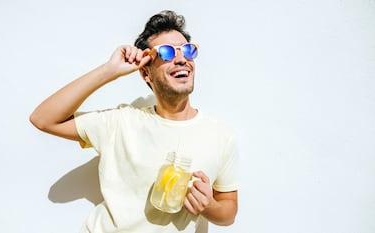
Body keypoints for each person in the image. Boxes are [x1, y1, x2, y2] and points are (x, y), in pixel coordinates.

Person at [30, 10, 239, 233]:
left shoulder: (220, 135)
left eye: (187, 50)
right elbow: (43, 119)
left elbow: (228, 212)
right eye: (167, 53)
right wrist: (109, 71)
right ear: (145, 73)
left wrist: (208, 206)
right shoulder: (120, 122)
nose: (181, 59)